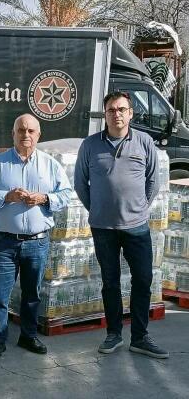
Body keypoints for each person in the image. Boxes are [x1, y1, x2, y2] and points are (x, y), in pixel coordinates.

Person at [74, 91, 168, 359]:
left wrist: (138, 208)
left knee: (143, 280)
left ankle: (140, 337)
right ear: (105, 114)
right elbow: (81, 184)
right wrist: (98, 209)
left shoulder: (144, 142)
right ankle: (113, 334)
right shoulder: (90, 145)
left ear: (130, 113)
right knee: (110, 281)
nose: (116, 114)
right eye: (111, 110)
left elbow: (153, 180)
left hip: (137, 227)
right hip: (103, 228)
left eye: (121, 109)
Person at [0, 114, 71, 359]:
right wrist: (7, 196)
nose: (26, 135)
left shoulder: (50, 164)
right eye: (21, 130)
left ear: (38, 135)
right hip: (4, 242)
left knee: (32, 294)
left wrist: (44, 198)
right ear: (13, 134)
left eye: (31, 131)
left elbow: (66, 194)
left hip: (37, 242)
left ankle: (28, 336)